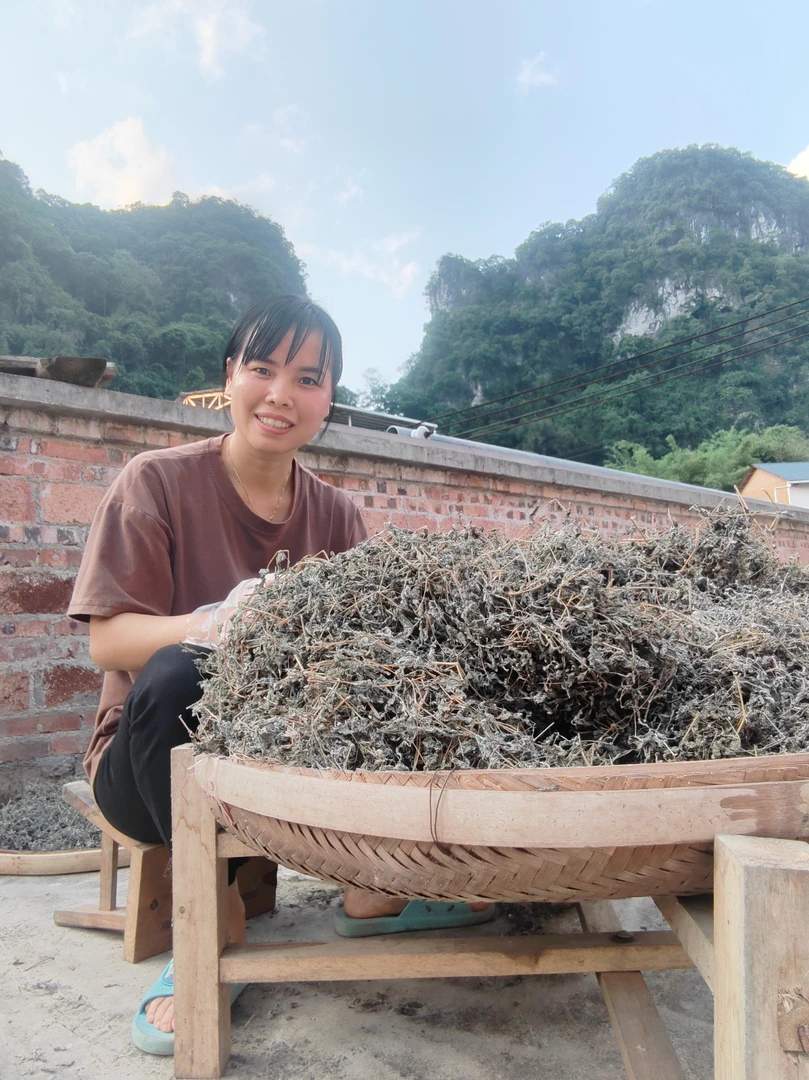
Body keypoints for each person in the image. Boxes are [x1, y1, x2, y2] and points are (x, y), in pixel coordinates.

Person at [67, 294, 493, 1057]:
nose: (280, 395)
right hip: (145, 766)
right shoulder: (155, 482)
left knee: (391, 690)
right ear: (229, 375)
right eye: (262, 369)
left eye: (307, 378)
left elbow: (361, 660)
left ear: (329, 398)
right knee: (178, 671)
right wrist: (212, 623)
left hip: (274, 767)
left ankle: (371, 889)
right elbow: (107, 641)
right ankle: (212, 915)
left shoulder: (336, 516)